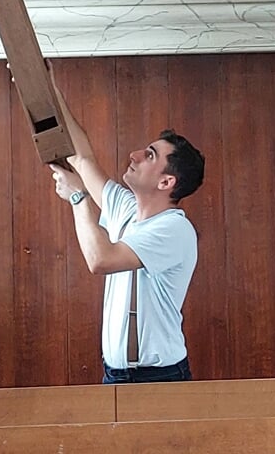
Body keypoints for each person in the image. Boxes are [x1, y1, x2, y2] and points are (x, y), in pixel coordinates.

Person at [48, 93, 205, 384]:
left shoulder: (174, 229)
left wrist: (78, 197)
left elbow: (101, 260)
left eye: (149, 156)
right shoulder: (125, 207)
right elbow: (81, 158)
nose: (134, 155)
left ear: (166, 182)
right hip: (115, 373)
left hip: (157, 378)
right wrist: (51, 90)